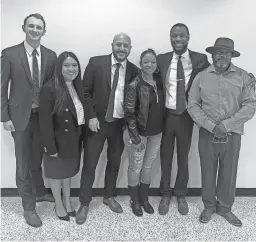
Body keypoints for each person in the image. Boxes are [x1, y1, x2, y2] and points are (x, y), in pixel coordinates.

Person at [188, 37, 256, 227]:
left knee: (229, 172)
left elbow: (251, 105)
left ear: (231, 55)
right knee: (208, 171)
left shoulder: (244, 77)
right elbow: (192, 105)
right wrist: (211, 125)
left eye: (226, 52)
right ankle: (209, 206)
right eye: (218, 52)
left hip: (232, 135)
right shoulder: (201, 77)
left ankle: (224, 209)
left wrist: (226, 125)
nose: (221, 56)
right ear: (212, 54)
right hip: (207, 134)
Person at [75, 33, 139, 225]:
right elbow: (84, 91)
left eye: (125, 46)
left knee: (114, 162)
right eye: (118, 44)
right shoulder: (96, 63)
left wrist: (131, 126)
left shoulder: (134, 70)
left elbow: (134, 100)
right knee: (90, 164)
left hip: (119, 126)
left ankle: (108, 196)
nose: (121, 48)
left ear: (130, 48)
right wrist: (91, 116)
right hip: (97, 124)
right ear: (112, 45)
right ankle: (84, 203)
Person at [1, 13, 56, 227]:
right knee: (23, 162)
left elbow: (52, 90)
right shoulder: (9, 54)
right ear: (24, 28)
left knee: (38, 158)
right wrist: (4, 117)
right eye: (31, 26)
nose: (35, 30)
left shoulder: (51, 56)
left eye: (39, 27)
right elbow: (1, 87)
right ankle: (29, 206)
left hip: (42, 118)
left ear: (44, 31)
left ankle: (40, 192)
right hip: (19, 118)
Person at [157, 23, 210, 216]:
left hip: (187, 117)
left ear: (188, 37)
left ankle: (181, 194)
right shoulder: (161, 59)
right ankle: (165, 193)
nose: (177, 39)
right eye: (174, 36)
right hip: (166, 116)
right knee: (165, 157)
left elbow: (211, 81)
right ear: (170, 38)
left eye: (181, 36)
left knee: (183, 157)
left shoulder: (200, 59)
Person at [39, 52, 84, 221]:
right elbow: (44, 122)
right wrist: (49, 146)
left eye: (74, 65)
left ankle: (67, 199)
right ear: (59, 68)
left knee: (67, 173)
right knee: (56, 174)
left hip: (73, 139)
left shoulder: (77, 86)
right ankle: (58, 203)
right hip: (56, 141)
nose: (71, 69)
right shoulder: (49, 88)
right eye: (66, 65)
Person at [124, 49, 164, 216]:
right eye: (146, 62)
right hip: (139, 135)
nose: (149, 64)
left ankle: (144, 198)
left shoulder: (159, 82)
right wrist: (135, 137)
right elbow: (129, 113)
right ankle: (135, 200)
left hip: (156, 134)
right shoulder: (135, 85)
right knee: (135, 168)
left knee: (148, 166)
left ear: (156, 66)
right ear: (140, 64)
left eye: (152, 62)